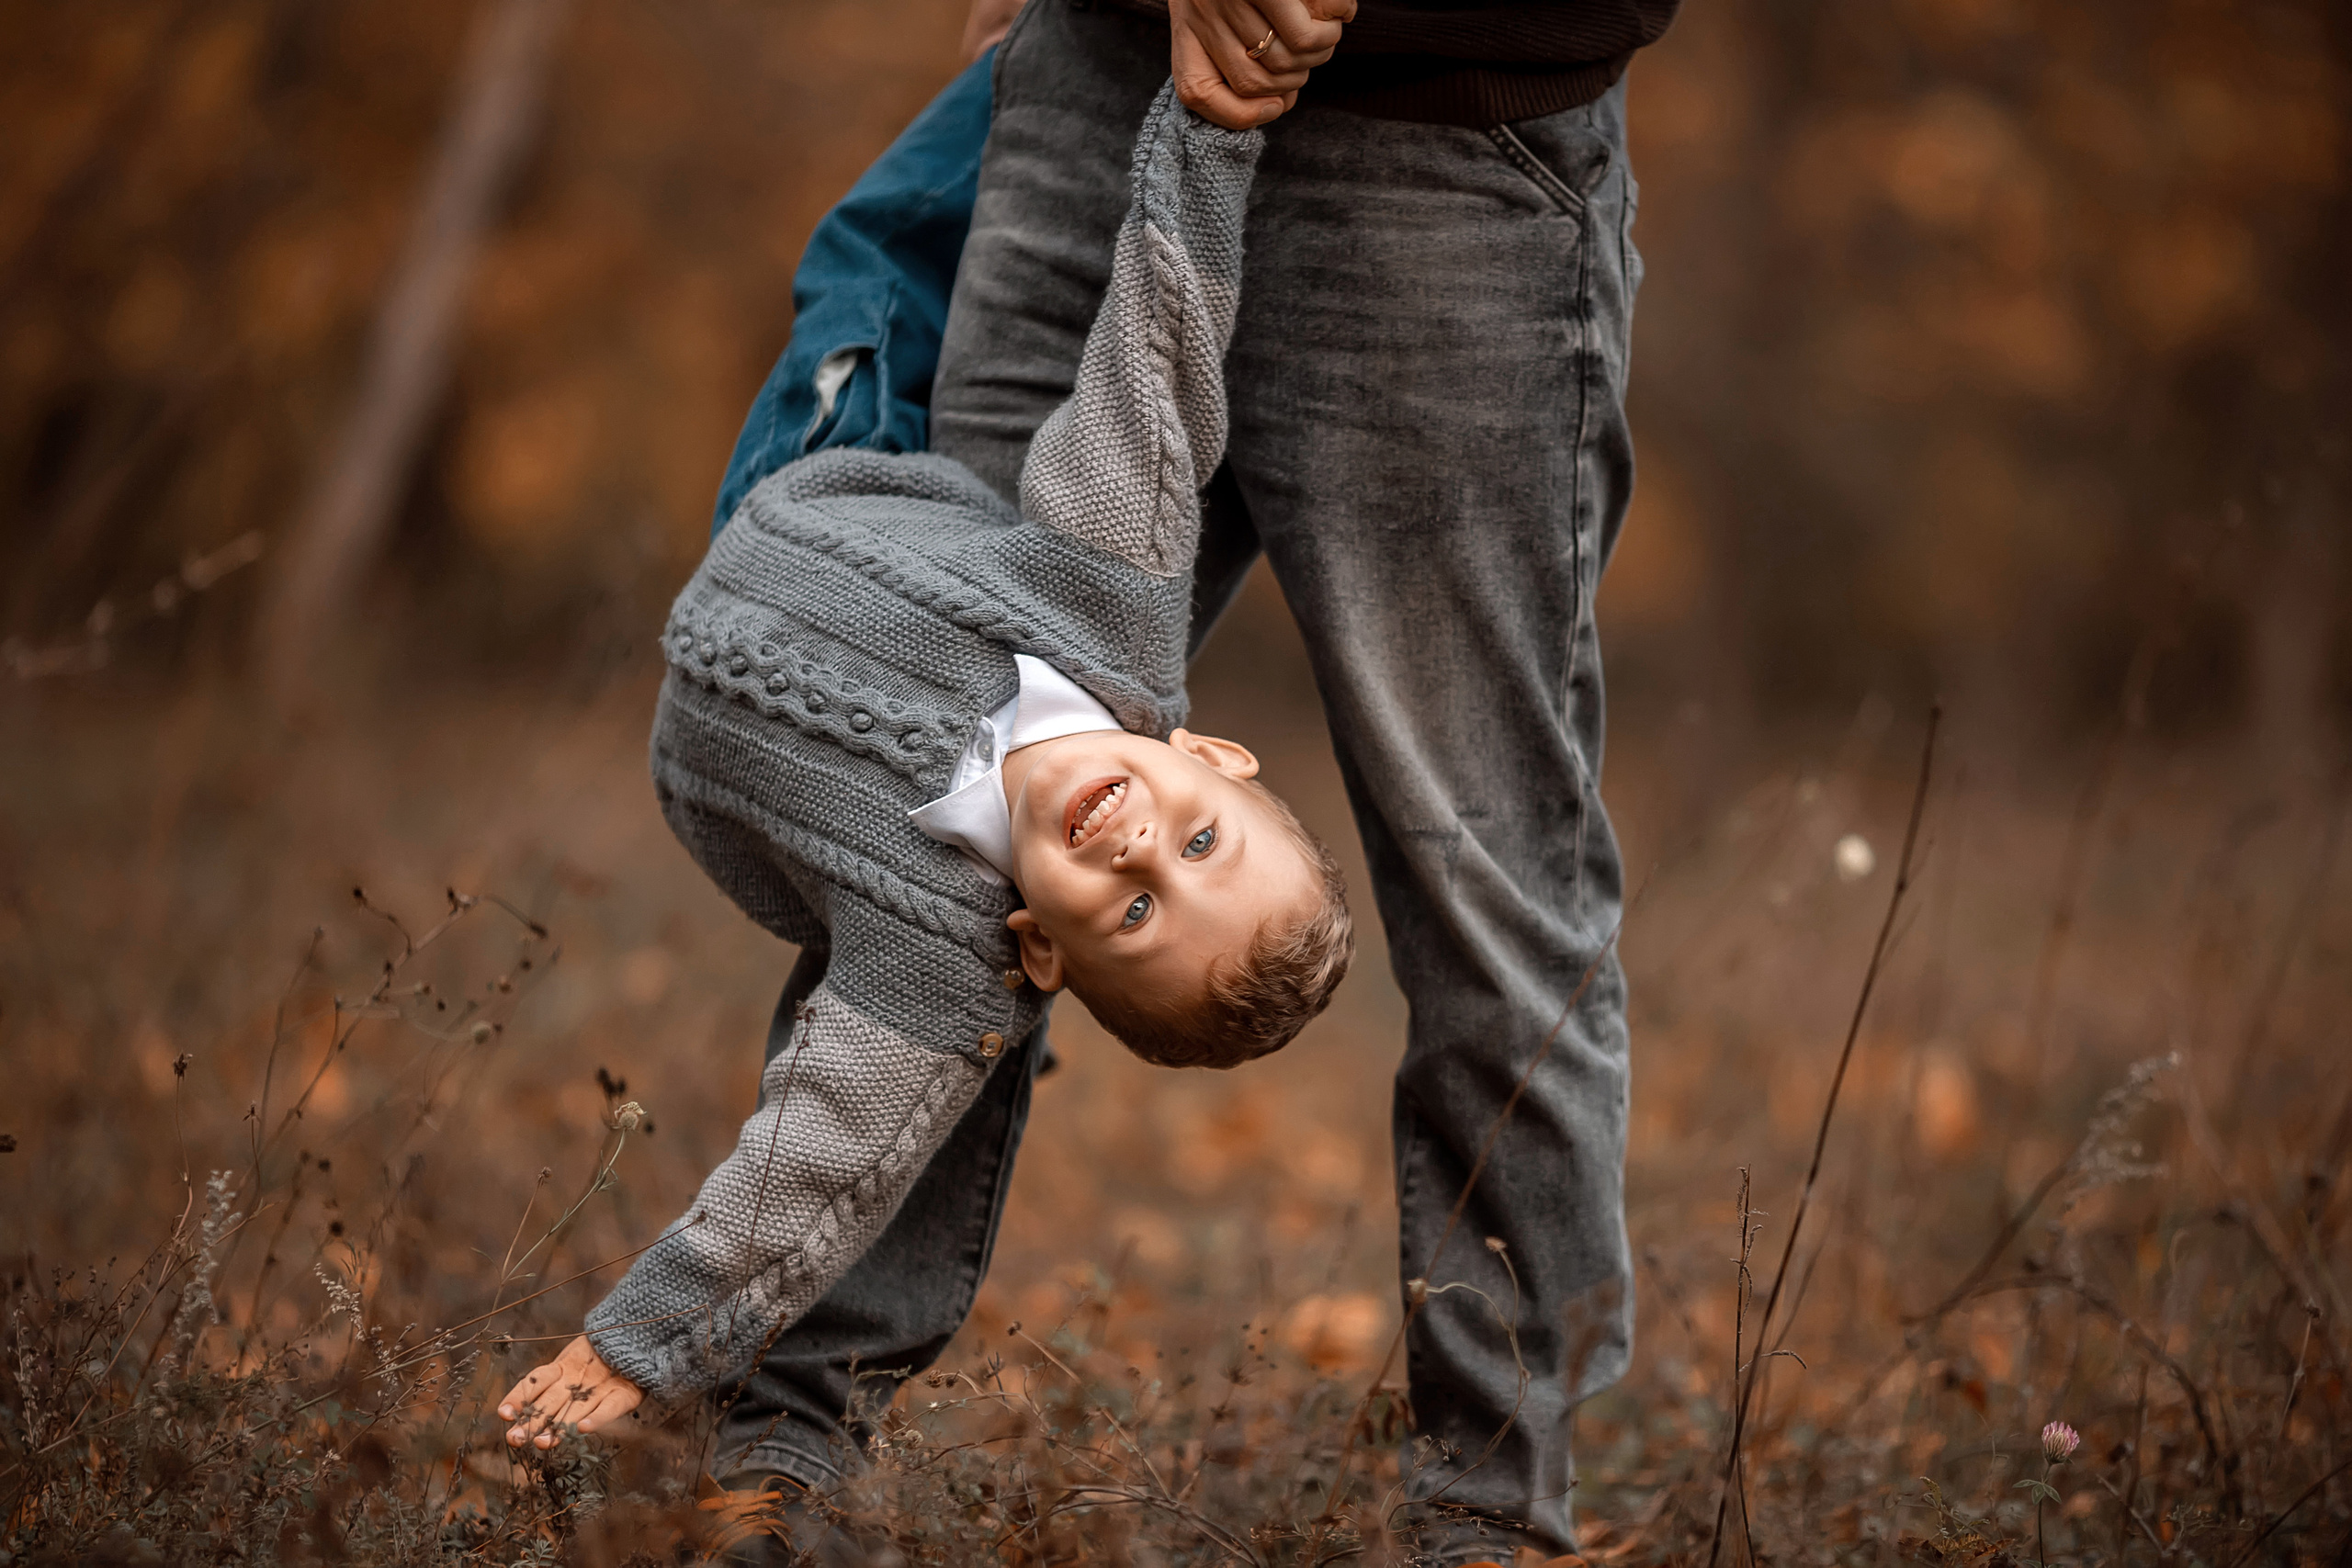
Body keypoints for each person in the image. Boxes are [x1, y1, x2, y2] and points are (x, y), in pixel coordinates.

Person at [491, 84, 1352, 1464]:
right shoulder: (1107, 598)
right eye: (1201, 847)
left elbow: (805, 1179)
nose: (1139, 855)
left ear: (1045, 955)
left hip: (701, 745)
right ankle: (1021, 43)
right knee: (872, 246)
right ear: (1212, 758)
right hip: (825, 471)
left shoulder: (944, 976)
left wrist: (633, 1344)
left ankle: (781, 1464)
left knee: (822, 1151)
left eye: (1135, 916)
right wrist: (1213, 119)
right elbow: (1156, 348)